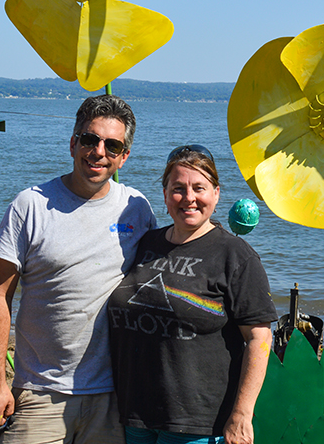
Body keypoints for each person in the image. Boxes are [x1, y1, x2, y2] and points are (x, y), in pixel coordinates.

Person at [0, 95, 158, 444]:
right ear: (73, 143)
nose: (99, 151)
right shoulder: (30, 205)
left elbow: (154, 288)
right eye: (90, 140)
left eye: (112, 145)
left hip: (113, 395)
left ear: (124, 156)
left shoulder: (136, 208)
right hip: (40, 391)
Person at [108, 145, 276, 444]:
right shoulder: (146, 243)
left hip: (198, 423)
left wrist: (242, 414)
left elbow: (259, 338)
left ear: (216, 193)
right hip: (136, 414)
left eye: (199, 188)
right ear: (164, 194)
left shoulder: (235, 255)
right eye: (178, 188)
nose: (189, 198)